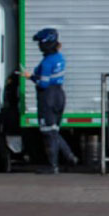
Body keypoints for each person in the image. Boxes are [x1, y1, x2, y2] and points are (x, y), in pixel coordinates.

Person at [29, 27, 78, 174]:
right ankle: (69, 157)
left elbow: (43, 83)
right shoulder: (60, 58)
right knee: (54, 130)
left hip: (48, 97)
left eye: (39, 43)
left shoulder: (46, 63)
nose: (38, 46)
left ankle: (54, 165)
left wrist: (29, 76)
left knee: (48, 132)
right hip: (59, 95)